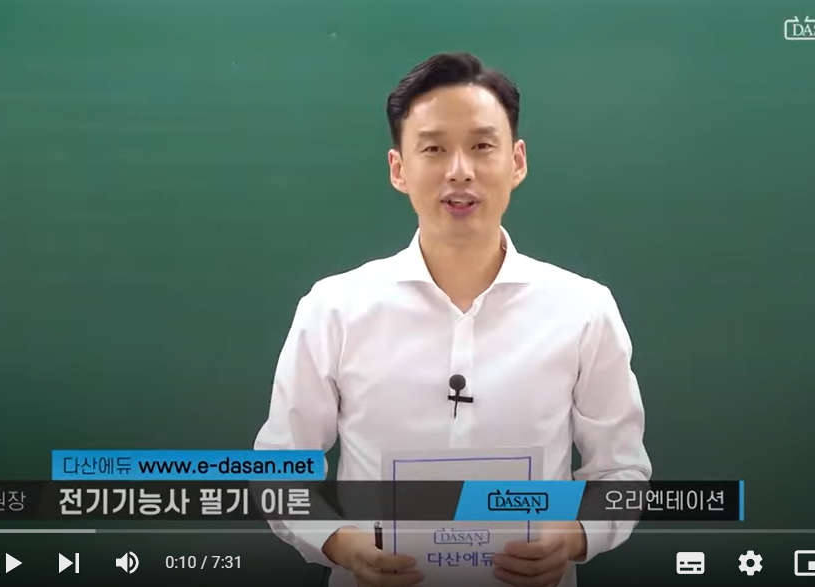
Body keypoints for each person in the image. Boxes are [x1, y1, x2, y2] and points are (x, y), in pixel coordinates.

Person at [253, 51, 652, 587]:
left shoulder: (583, 309)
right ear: (398, 169)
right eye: (434, 148)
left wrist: (577, 533)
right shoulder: (335, 309)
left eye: (482, 146)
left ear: (517, 162)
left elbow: (621, 472)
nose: (459, 170)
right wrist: (337, 541)